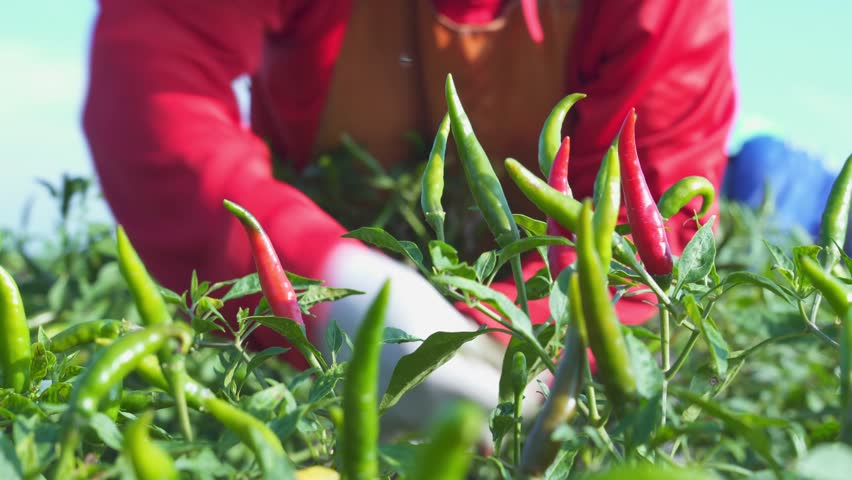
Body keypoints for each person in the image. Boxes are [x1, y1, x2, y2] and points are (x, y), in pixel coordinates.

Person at [83, 0, 735, 433]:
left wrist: (499, 342)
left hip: (526, 332)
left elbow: (644, 231)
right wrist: (323, 284)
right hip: (300, 322)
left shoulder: (663, 10)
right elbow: (153, 97)